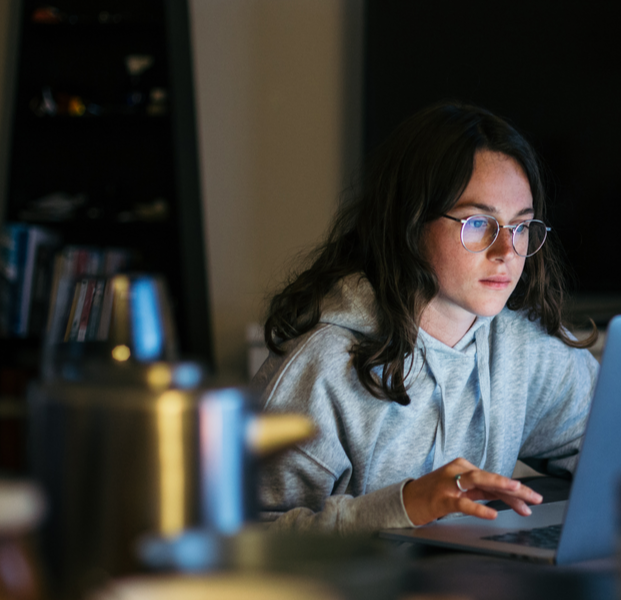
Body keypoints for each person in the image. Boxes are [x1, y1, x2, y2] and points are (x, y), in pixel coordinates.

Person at [252, 102, 598, 534]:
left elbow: (616, 442)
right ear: (411, 221)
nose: (506, 252)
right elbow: (246, 541)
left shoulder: (525, 344)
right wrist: (403, 506)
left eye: (520, 227)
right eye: (478, 223)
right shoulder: (321, 367)